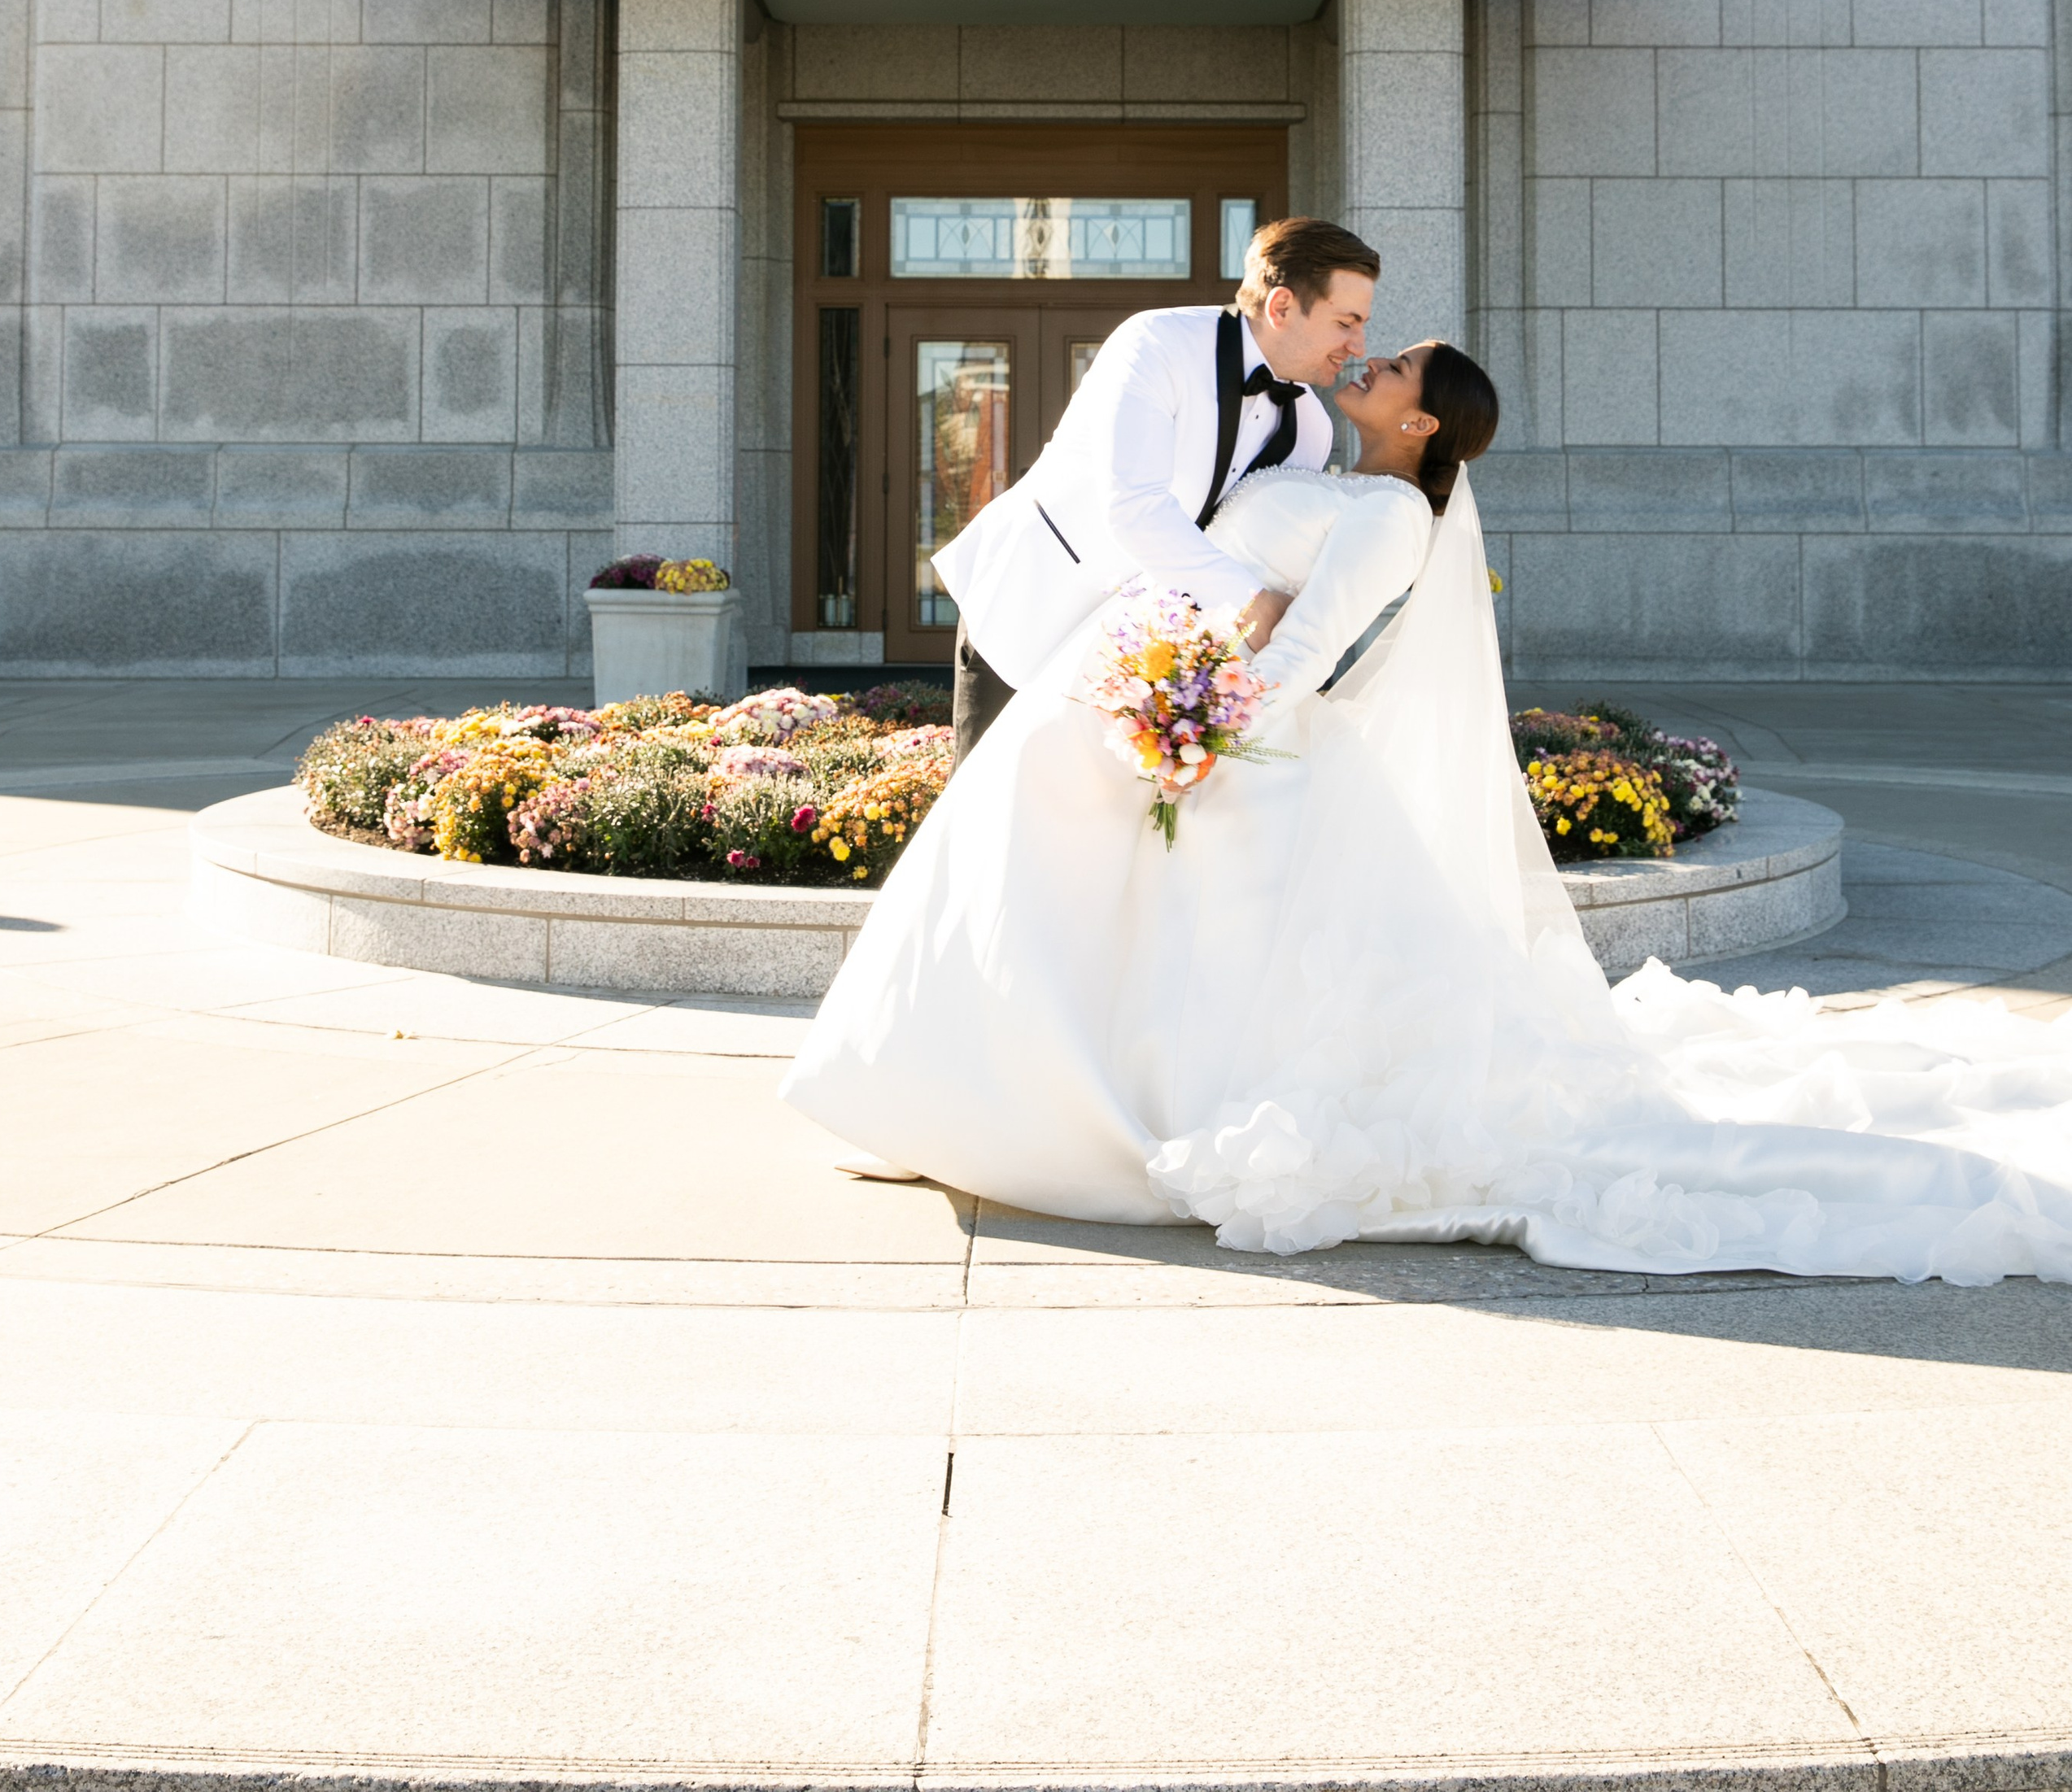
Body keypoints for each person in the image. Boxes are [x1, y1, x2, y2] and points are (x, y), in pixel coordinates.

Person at [786, 340, 2072, 1282]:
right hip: (1174, 719)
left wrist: (1196, 728)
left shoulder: (1392, 514)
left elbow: (1305, 654)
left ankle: (1081, 1116)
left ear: (1420, 424)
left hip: (1237, 755)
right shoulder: (1317, 461)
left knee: (1208, 982)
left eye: (1394, 365)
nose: (1371, 361)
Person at [936, 215, 1379, 768]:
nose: (1358, 344)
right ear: (1283, 307)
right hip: (1031, 607)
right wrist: (1253, 606)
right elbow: (1134, 508)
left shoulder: (1312, 427)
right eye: (1347, 321)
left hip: (1146, 663)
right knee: (986, 817)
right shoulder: (1157, 341)